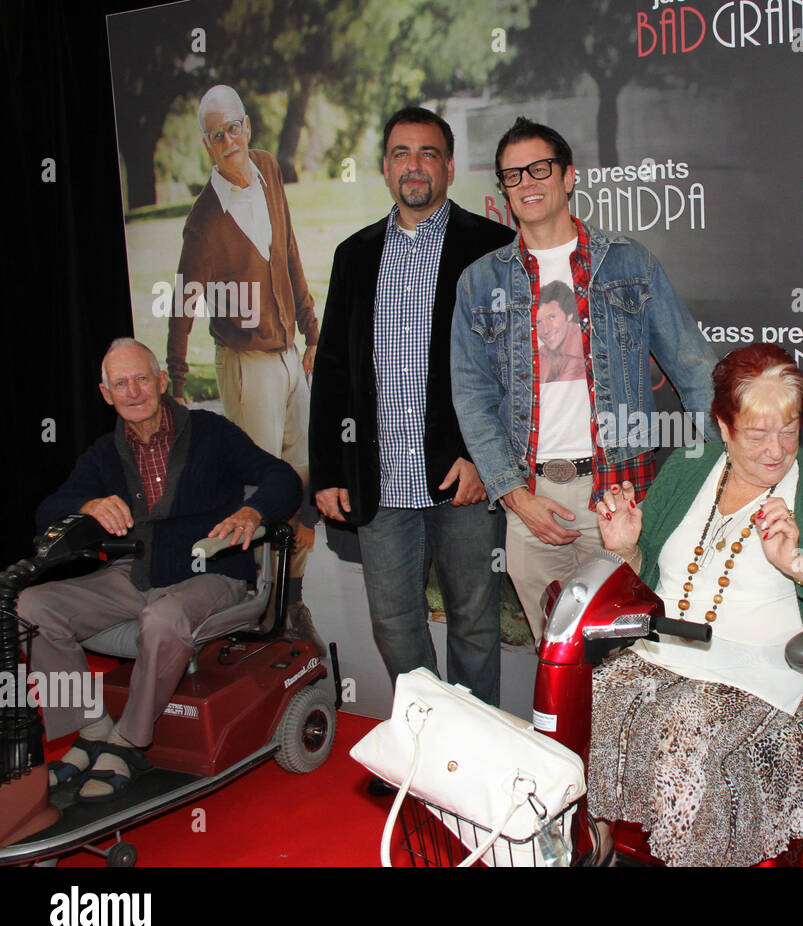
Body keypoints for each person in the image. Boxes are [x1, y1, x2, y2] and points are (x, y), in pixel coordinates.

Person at [588, 344, 803, 865]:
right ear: (724, 427)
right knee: (589, 697)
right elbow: (652, 585)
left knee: (688, 730)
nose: (776, 450)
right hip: (668, 653)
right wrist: (628, 550)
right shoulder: (690, 466)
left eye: (790, 430)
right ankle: (595, 847)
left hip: (770, 673)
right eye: (756, 434)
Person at [451, 116, 720, 639]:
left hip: (618, 498)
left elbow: (695, 370)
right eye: (512, 175)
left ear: (568, 176)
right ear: (503, 190)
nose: (527, 183)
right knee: (558, 660)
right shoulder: (480, 282)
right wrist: (515, 497)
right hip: (531, 503)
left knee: (629, 654)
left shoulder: (627, 263)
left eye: (539, 168)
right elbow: (472, 398)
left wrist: (719, 471)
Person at [19, 339, 300, 802]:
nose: (133, 392)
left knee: (162, 618)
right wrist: (87, 504)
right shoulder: (102, 454)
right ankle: (92, 727)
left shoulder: (211, 432)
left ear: (162, 382)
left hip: (212, 572)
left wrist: (252, 514)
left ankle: (130, 742)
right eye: (120, 384)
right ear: (105, 394)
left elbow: (282, 478)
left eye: (142, 379)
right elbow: (48, 511)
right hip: (138, 575)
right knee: (31, 606)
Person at [310, 107, 515, 704]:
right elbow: (333, 374)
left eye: (428, 153)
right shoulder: (354, 254)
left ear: (449, 167)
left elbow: (512, 370)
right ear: (385, 167)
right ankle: (426, 745)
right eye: (402, 153)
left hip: (462, 479)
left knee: (475, 625)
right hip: (380, 481)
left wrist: (486, 458)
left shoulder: (492, 246)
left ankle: (476, 757)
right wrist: (326, 472)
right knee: (395, 625)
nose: (414, 166)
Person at [165, 84, 320, 646]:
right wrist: (175, 379)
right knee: (260, 486)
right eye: (216, 135)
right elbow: (184, 300)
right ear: (206, 146)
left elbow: (292, 251)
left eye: (235, 128)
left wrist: (311, 331)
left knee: (300, 476)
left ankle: (290, 601)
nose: (229, 141)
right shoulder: (205, 221)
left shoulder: (267, 169)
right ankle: (253, 609)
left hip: (287, 357)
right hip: (245, 363)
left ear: (248, 127)